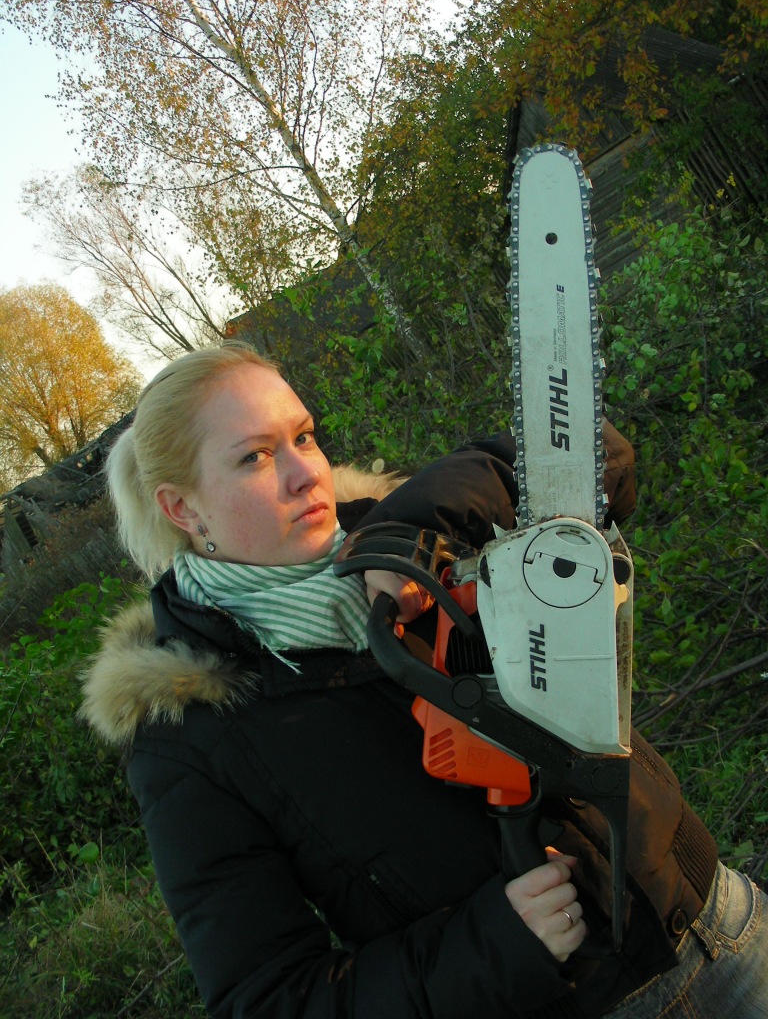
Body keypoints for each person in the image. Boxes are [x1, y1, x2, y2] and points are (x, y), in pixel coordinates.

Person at [81, 342, 767, 1018]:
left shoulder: (417, 531)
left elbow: (603, 453)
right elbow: (266, 997)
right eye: (254, 457)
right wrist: (494, 947)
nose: (304, 475)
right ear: (182, 509)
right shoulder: (188, 738)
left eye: (303, 437)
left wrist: (416, 522)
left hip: (721, 917)